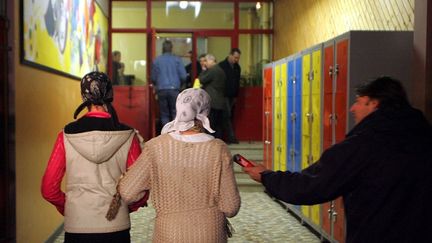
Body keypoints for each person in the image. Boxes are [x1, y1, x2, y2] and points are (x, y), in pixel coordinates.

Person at [243, 76, 432, 243]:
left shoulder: (363, 145)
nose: (352, 108)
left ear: (374, 103)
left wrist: (267, 176)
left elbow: (312, 185)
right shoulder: (424, 137)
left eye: (358, 101)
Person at [118, 88, 241, 243]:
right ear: (205, 112)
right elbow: (231, 207)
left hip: (169, 233)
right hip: (210, 233)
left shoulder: (156, 147)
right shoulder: (218, 149)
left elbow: (128, 193)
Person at [41, 72, 148, 243]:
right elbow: (140, 186)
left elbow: (48, 189)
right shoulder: (128, 135)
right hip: (116, 227)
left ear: (84, 96)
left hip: (77, 226)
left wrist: (70, 207)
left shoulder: (66, 135)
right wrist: (125, 207)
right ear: (110, 95)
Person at [151, 40, 187, 129]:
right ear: (171, 48)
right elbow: (183, 76)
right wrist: (181, 84)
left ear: (162, 48)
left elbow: (153, 77)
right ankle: (175, 134)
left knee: (164, 114)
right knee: (175, 112)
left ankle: (166, 134)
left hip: (161, 90)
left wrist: (157, 84)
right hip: (174, 89)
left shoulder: (157, 60)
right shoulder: (177, 59)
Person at [199, 54, 227, 140]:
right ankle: (218, 141)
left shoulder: (213, 70)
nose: (205, 64)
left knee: (211, 124)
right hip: (219, 101)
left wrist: (203, 70)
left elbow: (202, 79)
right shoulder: (220, 70)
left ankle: (211, 141)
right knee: (218, 125)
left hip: (213, 101)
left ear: (211, 61)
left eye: (206, 61)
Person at [218, 48, 241, 144]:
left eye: (238, 58)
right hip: (224, 95)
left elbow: (237, 82)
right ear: (230, 55)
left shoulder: (237, 67)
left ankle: (228, 138)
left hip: (232, 95)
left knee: (229, 116)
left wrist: (236, 95)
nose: (236, 60)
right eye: (235, 57)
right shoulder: (222, 66)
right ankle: (229, 138)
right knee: (226, 116)